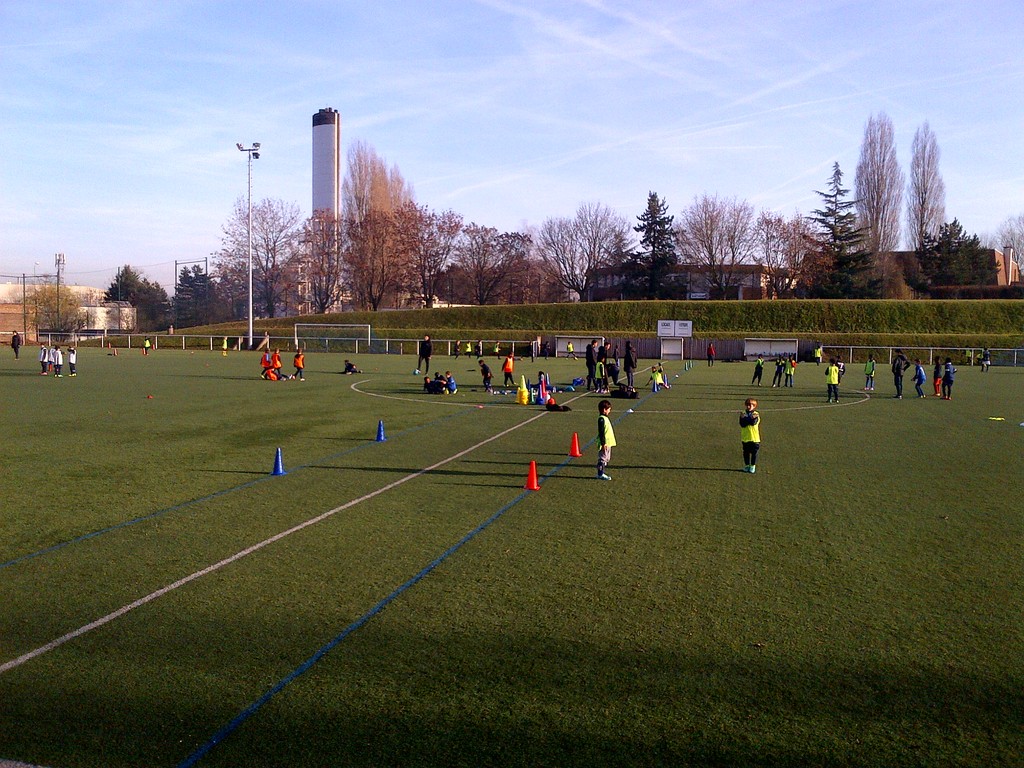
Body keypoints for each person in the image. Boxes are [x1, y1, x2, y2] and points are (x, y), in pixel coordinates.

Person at [739, 398, 761, 474]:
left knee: (754, 453)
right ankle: (747, 465)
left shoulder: (756, 414)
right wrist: (749, 418)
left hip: (754, 438)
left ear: (754, 406)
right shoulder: (743, 413)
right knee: (746, 453)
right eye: (748, 405)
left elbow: (753, 423)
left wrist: (745, 418)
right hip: (745, 437)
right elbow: (742, 424)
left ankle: (752, 466)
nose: (749, 406)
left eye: (751, 405)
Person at [596, 399, 616, 481]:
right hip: (605, 443)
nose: (609, 411)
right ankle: (600, 474)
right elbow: (601, 432)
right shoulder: (601, 419)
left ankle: (601, 472)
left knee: (606, 459)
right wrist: (603, 443)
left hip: (608, 442)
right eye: (609, 409)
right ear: (604, 409)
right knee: (602, 458)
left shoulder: (605, 418)